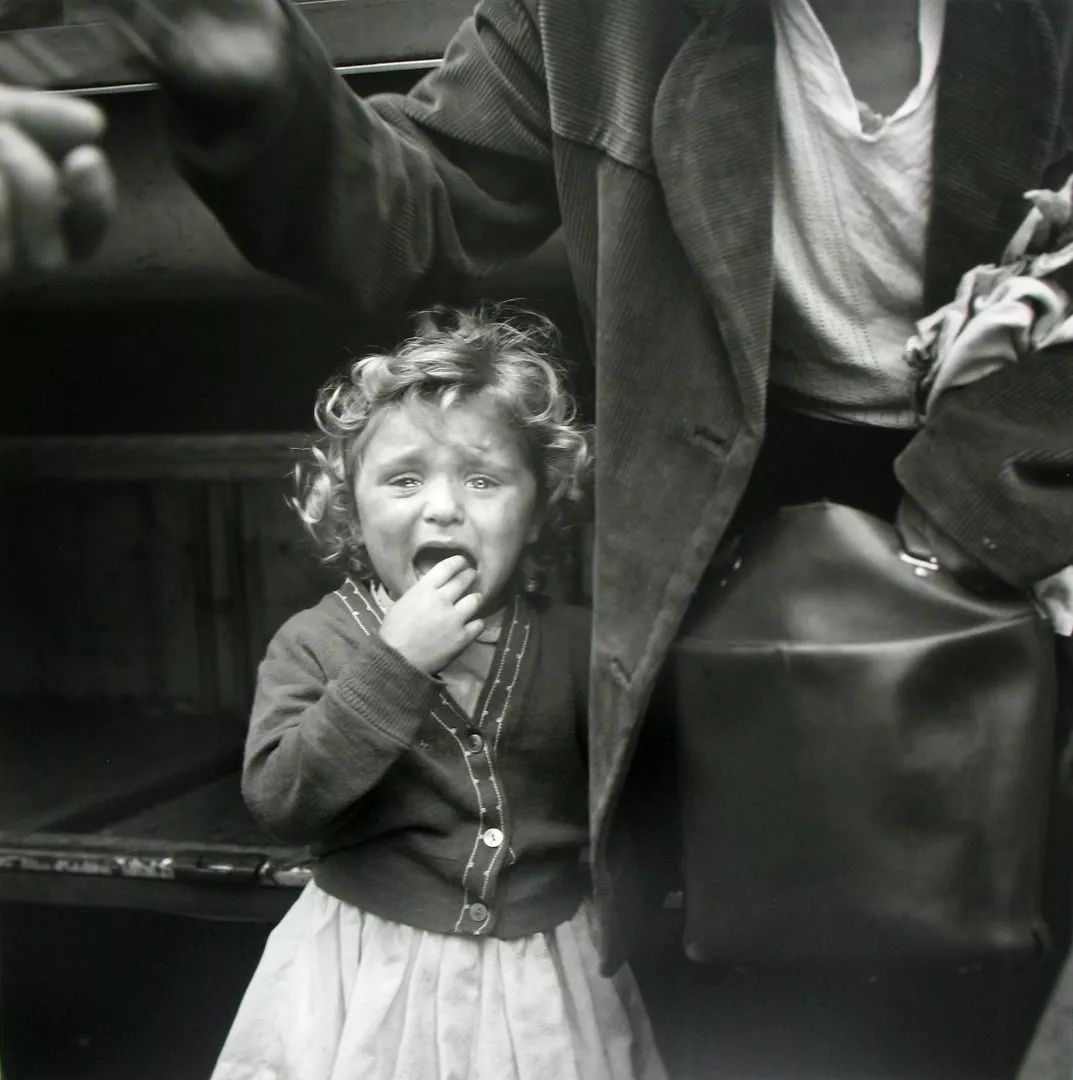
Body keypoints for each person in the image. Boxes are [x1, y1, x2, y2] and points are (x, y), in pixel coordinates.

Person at [4, 0, 1073, 1073]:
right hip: (724, 536)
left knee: (970, 967)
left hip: (1008, 516)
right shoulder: (586, 18)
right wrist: (262, 88)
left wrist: (970, 509)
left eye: (477, 478)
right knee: (740, 994)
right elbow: (414, 209)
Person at [210, 306, 667, 1080]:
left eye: (484, 479)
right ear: (351, 504)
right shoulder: (315, 641)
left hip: (542, 980)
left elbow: (642, 798)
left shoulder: (577, 645)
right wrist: (395, 661)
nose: (444, 507)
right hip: (367, 979)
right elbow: (284, 802)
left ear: (538, 507)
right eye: (404, 478)